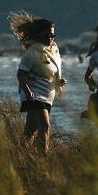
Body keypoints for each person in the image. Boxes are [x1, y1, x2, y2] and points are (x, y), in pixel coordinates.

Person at [9, 12, 66, 154]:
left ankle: (17, 154)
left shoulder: (53, 50)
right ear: (39, 35)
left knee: (30, 131)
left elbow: (52, 71)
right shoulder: (32, 52)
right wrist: (28, 93)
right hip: (34, 95)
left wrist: (59, 81)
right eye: (47, 35)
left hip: (48, 96)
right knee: (45, 126)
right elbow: (21, 75)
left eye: (52, 35)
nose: (50, 38)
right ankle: (42, 159)